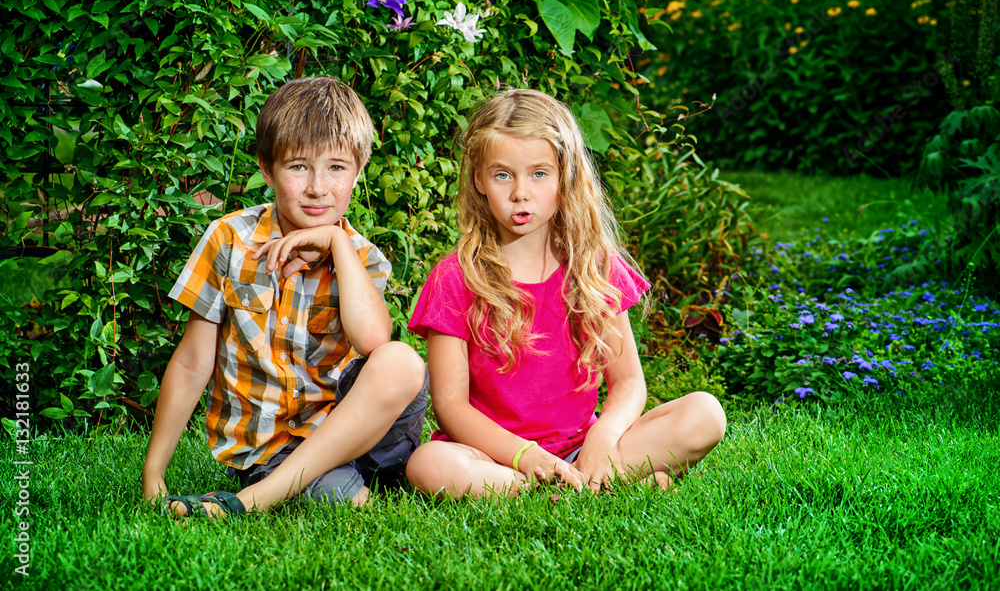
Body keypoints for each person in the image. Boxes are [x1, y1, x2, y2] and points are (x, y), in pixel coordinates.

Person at [405, 89, 726, 498]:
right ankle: (574, 485)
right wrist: (528, 457)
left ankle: (585, 476)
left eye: (539, 173)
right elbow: (452, 408)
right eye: (503, 174)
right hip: (497, 457)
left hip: (585, 446)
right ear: (479, 180)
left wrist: (603, 439)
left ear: (565, 177)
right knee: (429, 465)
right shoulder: (455, 278)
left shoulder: (593, 266)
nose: (521, 192)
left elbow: (627, 382)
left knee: (705, 414)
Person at [142, 77, 428, 518]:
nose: (318, 187)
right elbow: (192, 362)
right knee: (345, 502)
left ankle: (242, 506)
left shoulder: (363, 257)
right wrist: (153, 473)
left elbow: (373, 340)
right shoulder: (229, 241)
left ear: (358, 170)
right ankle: (268, 493)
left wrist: (336, 242)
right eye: (298, 167)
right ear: (266, 168)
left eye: (336, 168)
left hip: (364, 434)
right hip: (276, 447)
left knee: (403, 360)